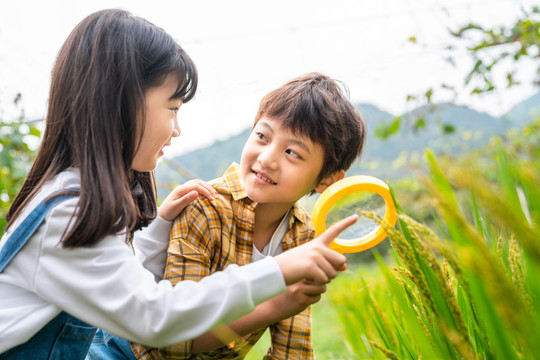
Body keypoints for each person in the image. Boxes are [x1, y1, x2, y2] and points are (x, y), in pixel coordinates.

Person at [0, 10, 358, 360]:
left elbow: (118, 284)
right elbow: (157, 319)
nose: (176, 129)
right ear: (121, 104)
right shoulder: (68, 212)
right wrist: (278, 271)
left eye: (293, 152)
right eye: (172, 108)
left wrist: (157, 229)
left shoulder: (76, 200)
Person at [128, 72, 367, 359]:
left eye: (292, 152)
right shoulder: (205, 208)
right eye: (262, 136)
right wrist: (276, 306)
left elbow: (293, 349)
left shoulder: (303, 236)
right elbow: (171, 342)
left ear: (327, 180)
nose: (267, 158)